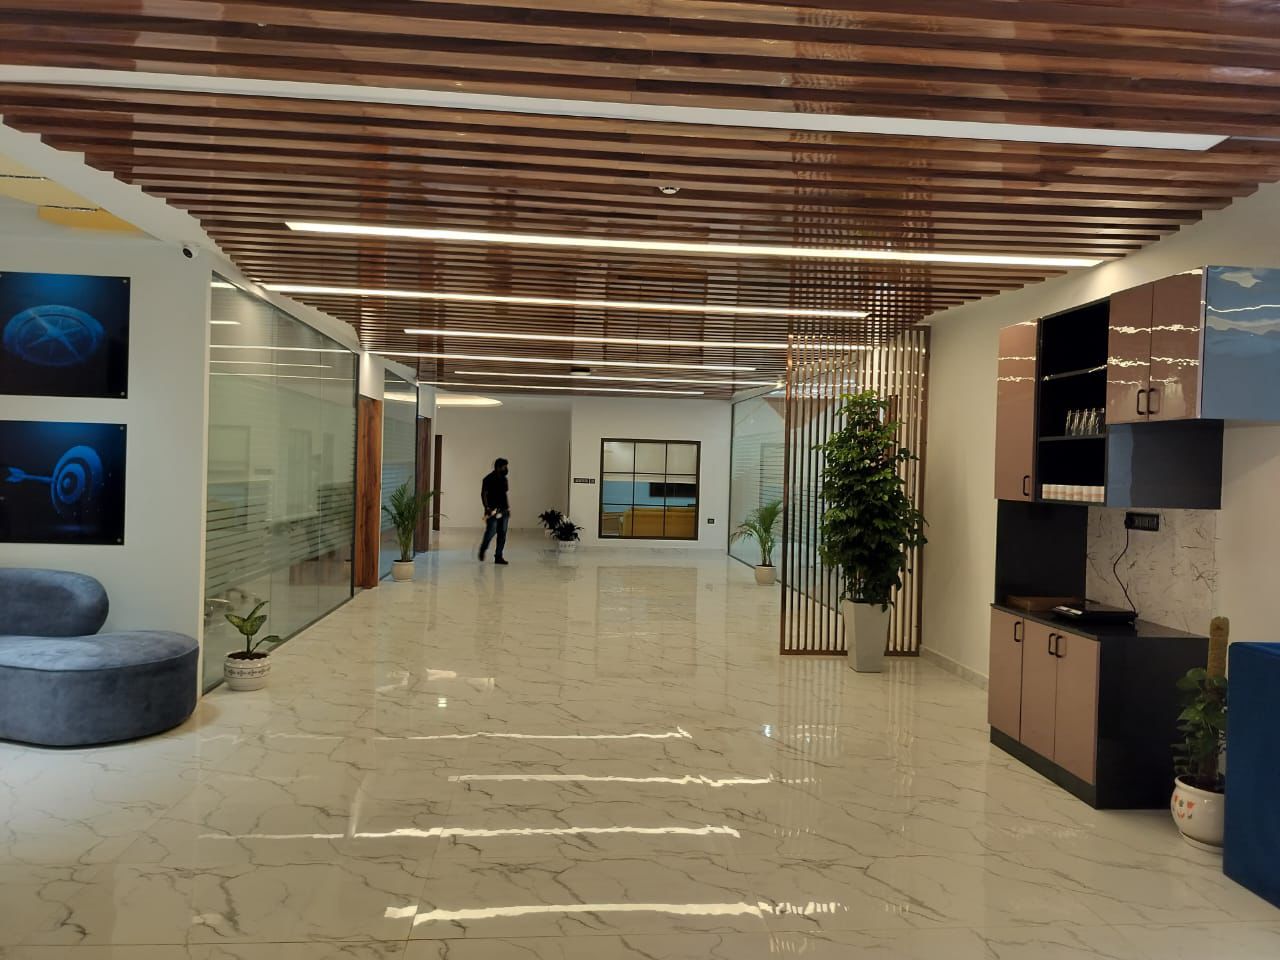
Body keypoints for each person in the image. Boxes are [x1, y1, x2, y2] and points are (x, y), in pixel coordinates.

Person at [479, 457, 511, 565]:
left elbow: (505, 493)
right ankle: (483, 549)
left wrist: (507, 509)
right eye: (504, 467)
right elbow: (483, 494)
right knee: (491, 532)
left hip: (504, 510)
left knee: (502, 533)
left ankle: (498, 556)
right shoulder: (488, 479)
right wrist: (486, 507)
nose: (506, 469)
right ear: (498, 467)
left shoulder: (504, 479)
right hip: (492, 510)